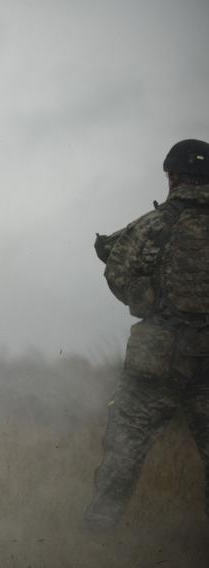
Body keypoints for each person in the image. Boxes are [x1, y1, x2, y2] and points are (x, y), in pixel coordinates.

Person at [86, 138, 209, 531]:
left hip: (158, 360)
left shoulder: (153, 225)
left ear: (172, 177)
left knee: (124, 450)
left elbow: (118, 273)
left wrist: (148, 300)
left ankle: (96, 538)